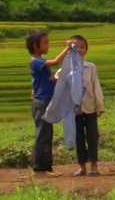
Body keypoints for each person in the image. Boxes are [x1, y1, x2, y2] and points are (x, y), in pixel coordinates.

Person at [25, 29, 73, 177]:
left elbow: (45, 81)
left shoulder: (40, 64)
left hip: (45, 101)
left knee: (47, 133)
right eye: (45, 43)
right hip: (43, 102)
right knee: (43, 134)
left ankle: (47, 168)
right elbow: (56, 61)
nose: (48, 46)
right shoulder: (36, 62)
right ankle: (40, 169)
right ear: (35, 46)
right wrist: (67, 47)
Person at [69, 35, 105, 177]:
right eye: (75, 47)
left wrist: (99, 105)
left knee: (92, 137)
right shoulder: (66, 69)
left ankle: (94, 166)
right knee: (78, 138)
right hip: (74, 110)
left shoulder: (90, 67)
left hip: (90, 107)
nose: (79, 49)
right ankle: (82, 167)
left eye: (82, 47)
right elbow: (57, 83)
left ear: (86, 50)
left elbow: (96, 86)